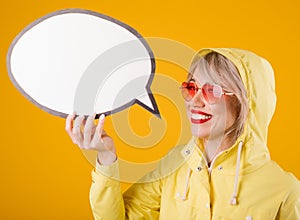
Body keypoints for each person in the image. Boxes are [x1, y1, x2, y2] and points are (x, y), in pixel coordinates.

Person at [65, 48, 300, 219]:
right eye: (191, 87)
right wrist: (106, 158)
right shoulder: (174, 165)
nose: (195, 101)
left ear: (245, 104)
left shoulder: (285, 191)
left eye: (211, 90)